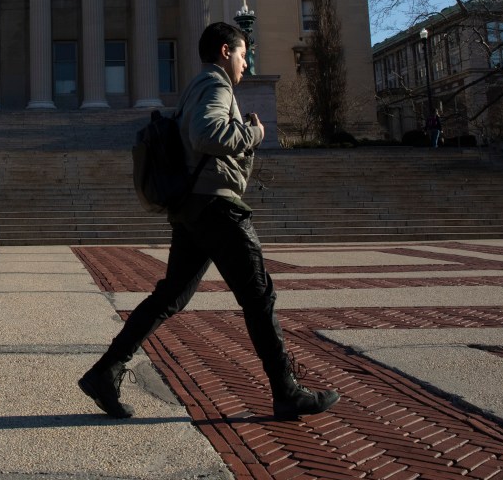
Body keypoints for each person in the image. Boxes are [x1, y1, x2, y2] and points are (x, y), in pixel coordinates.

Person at [78, 22, 340, 421]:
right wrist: (252, 132)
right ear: (224, 51)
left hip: (194, 210)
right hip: (218, 208)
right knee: (259, 297)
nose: (245, 63)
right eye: (242, 54)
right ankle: (286, 392)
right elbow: (206, 134)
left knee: (170, 297)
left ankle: (105, 371)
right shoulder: (216, 86)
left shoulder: (198, 88)